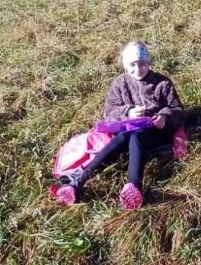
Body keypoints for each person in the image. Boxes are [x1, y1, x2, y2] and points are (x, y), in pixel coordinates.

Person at [54, 41, 186, 210]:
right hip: (126, 132)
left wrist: (165, 118)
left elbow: (177, 110)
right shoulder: (120, 83)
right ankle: (77, 184)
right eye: (132, 64)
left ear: (149, 63)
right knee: (125, 136)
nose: (138, 69)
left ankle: (134, 186)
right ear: (125, 65)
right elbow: (109, 111)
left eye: (143, 64)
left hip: (156, 133)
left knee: (137, 134)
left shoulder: (162, 83)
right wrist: (129, 112)